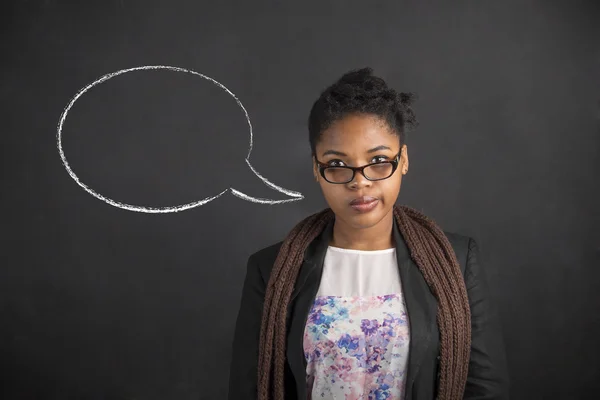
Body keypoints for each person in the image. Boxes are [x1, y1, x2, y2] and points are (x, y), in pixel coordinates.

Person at [228, 67, 509, 400]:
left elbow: (485, 389)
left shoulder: (457, 261)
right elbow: (250, 389)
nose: (359, 181)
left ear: (402, 160)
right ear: (317, 170)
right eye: (337, 164)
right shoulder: (269, 269)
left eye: (378, 160)